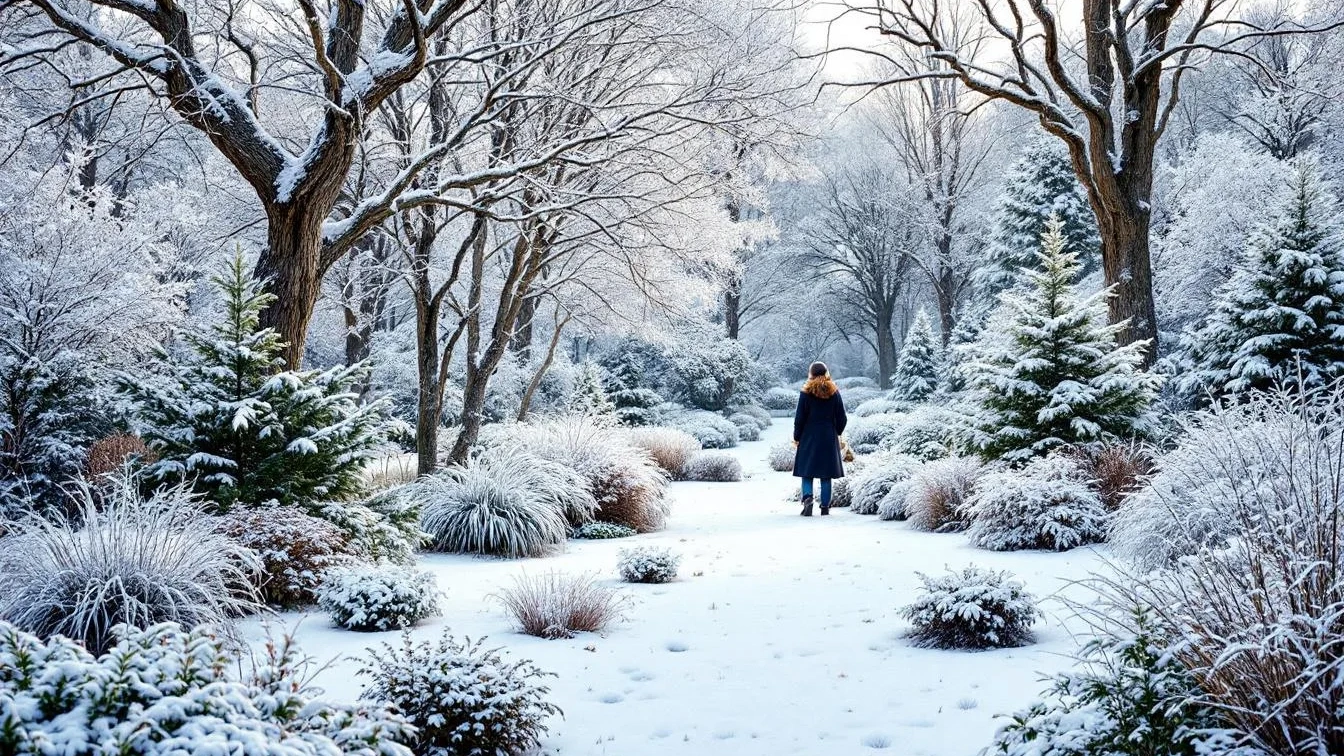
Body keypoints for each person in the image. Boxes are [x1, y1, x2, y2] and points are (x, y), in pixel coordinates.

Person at [792, 361, 847, 516]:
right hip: (828, 437)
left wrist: (797, 437)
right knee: (826, 474)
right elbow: (842, 418)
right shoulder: (834, 392)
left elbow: (799, 418)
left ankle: (808, 499)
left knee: (807, 472)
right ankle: (824, 507)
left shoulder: (805, 393)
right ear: (826, 373)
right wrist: (836, 431)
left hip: (809, 436)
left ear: (811, 374)